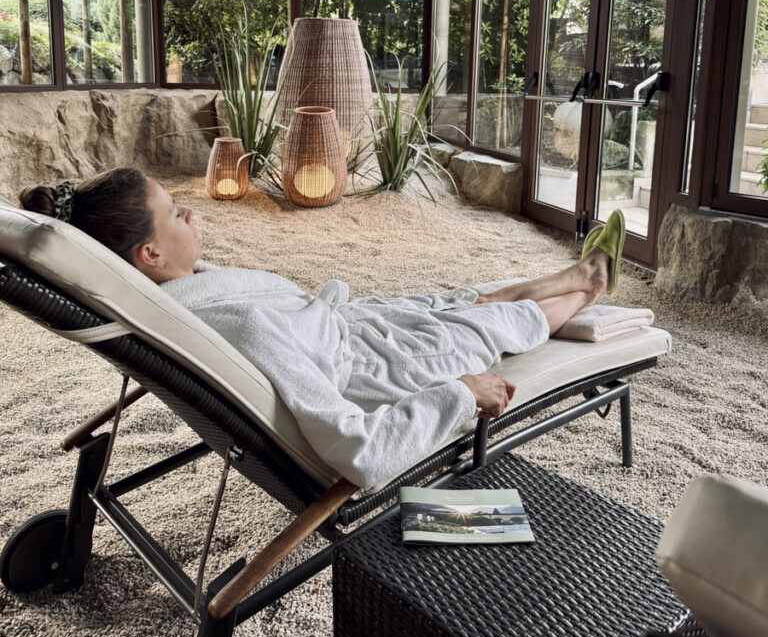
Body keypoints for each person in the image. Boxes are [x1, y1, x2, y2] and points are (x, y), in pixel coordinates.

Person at [20, 168, 626, 488]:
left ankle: (570, 273)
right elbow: (359, 450)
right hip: (379, 370)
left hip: (350, 330)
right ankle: (590, 285)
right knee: (494, 325)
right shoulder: (239, 324)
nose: (190, 212)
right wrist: (461, 393)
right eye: (175, 213)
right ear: (149, 255)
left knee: (453, 299)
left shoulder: (181, 296)